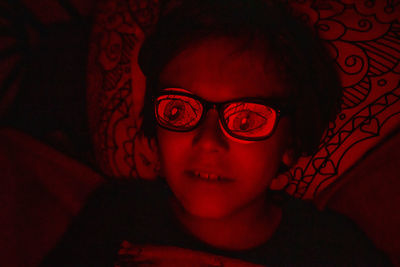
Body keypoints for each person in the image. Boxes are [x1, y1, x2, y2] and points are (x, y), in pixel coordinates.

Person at [41, 0, 391, 266]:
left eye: (247, 119)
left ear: (290, 142)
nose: (208, 140)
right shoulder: (114, 215)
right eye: (179, 110)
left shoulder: (330, 249)